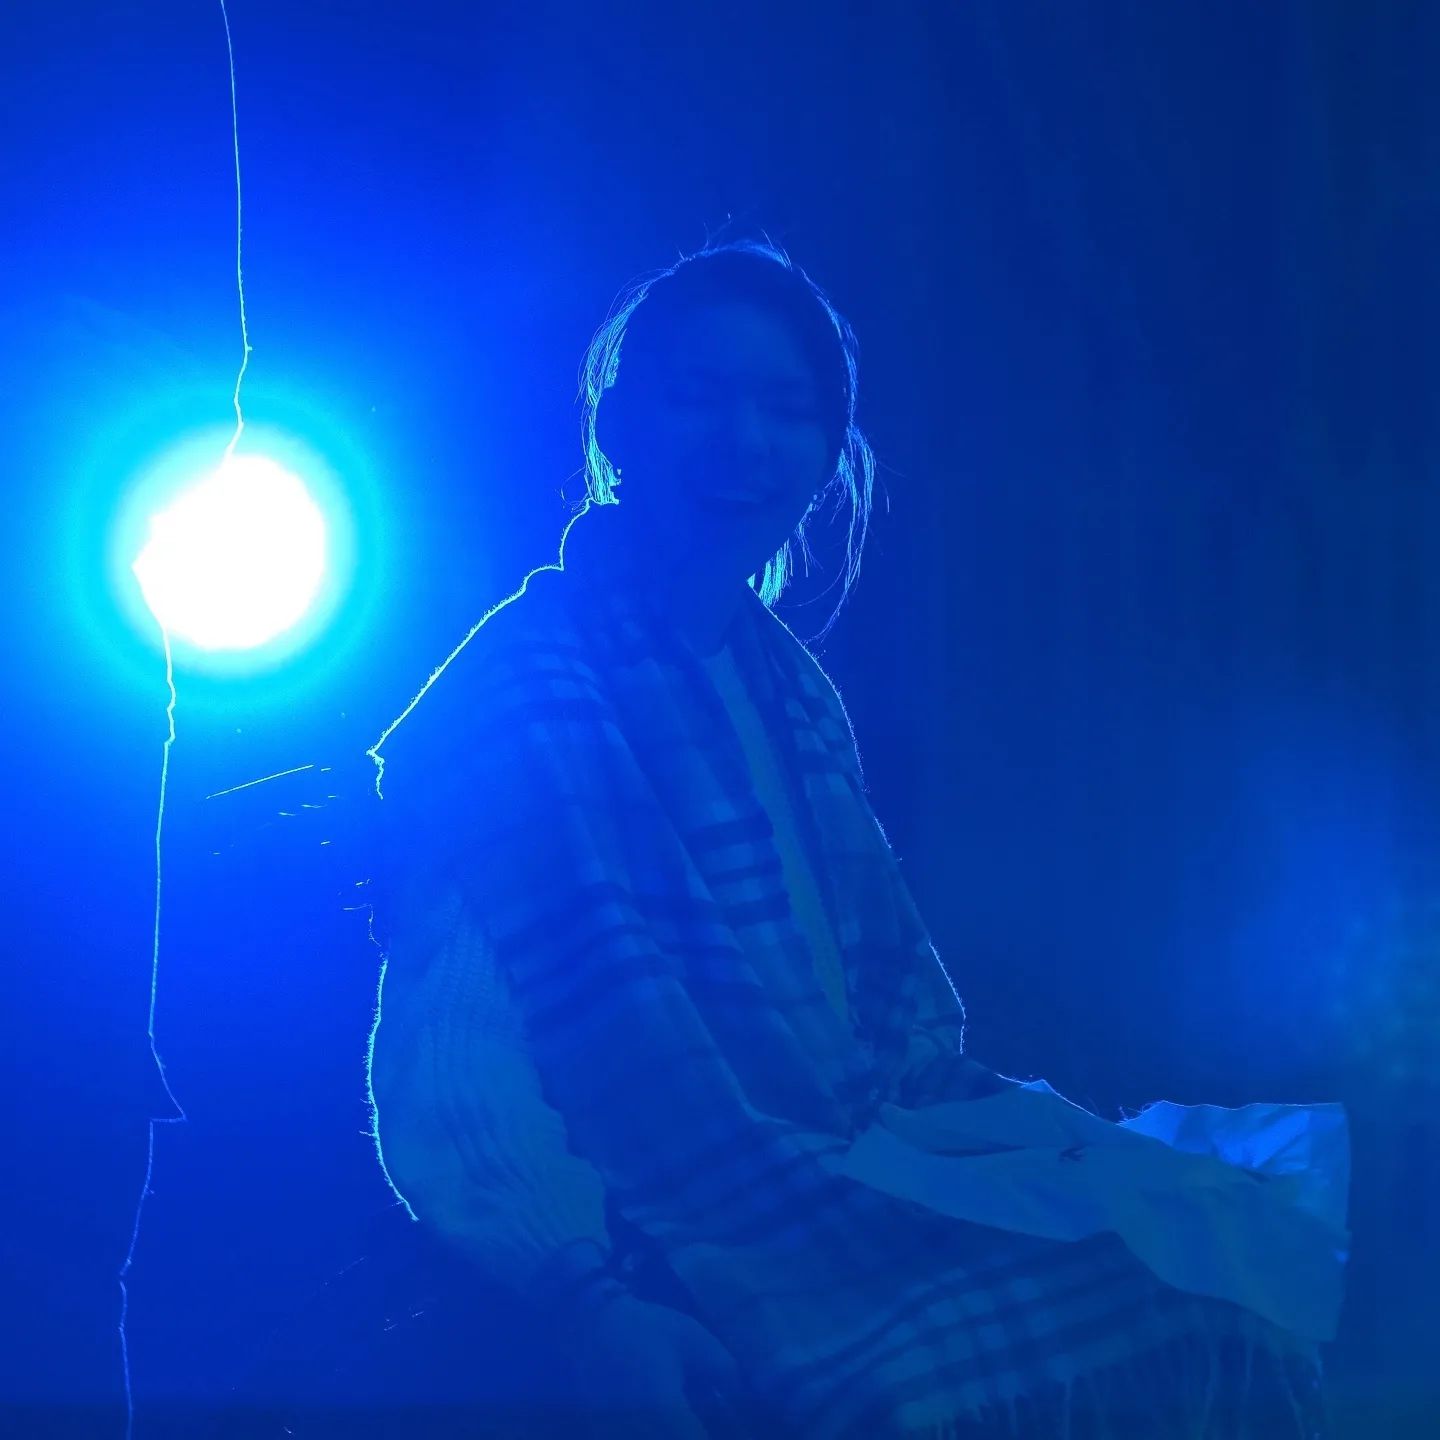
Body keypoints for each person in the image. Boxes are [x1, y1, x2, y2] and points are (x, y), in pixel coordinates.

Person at [364, 239, 1344, 1437]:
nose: (745, 440)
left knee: (1216, 1252)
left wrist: (992, 1145)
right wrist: (587, 1299)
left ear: (830, 452)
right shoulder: (519, 699)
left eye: (788, 410)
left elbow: (883, 1019)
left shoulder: (789, 692)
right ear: (619, 427)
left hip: (852, 1158)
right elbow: (453, 1061)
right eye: (700, 397)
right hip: (673, 1218)